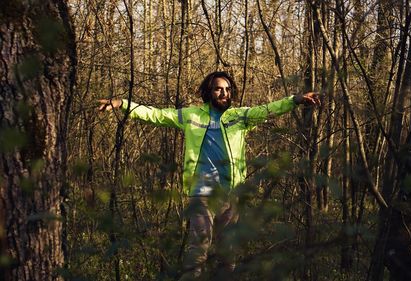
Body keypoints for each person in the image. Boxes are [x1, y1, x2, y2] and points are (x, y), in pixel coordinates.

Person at [98, 71, 319, 279]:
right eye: (218, 89)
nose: (224, 94)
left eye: (227, 89)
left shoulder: (240, 117)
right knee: (198, 250)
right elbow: (156, 115)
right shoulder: (192, 115)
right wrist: (122, 104)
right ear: (208, 92)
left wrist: (295, 100)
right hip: (202, 191)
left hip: (230, 193)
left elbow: (268, 109)